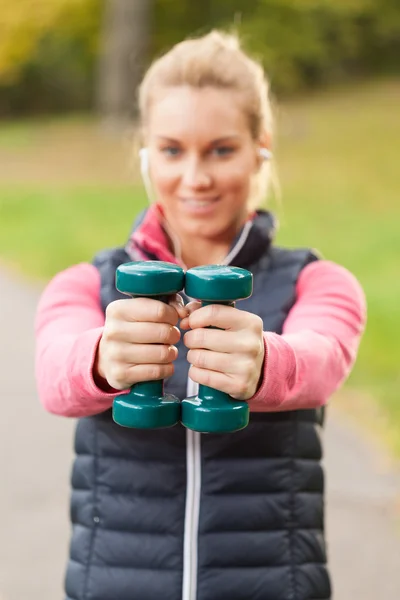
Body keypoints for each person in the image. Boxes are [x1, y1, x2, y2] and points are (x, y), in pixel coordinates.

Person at [35, 30, 366, 600]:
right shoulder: (86, 285)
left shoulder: (317, 282)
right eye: (171, 150)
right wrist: (100, 358)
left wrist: (267, 362)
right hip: (116, 583)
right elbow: (53, 375)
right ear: (145, 152)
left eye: (220, 149)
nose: (196, 178)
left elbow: (322, 360)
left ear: (261, 147)